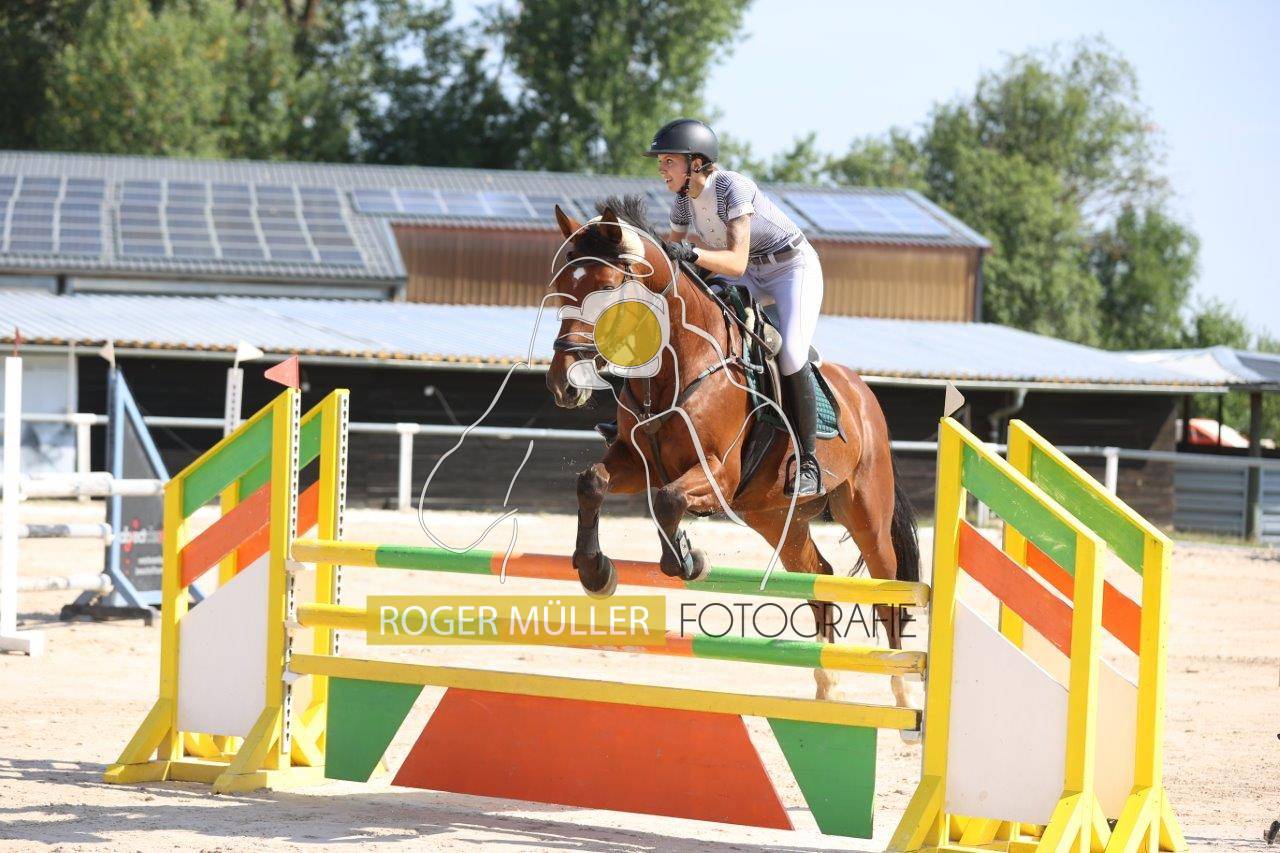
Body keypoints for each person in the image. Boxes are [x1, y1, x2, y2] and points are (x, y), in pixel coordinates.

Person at [646, 118, 826, 498]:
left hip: (791, 268)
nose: (662, 169)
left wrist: (691, 253)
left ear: (696, 163)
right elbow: (672, 256)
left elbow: (735, 262)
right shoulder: (683, 200)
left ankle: (809, 462)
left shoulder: (732, 187)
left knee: (792, 354)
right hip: (750, 274)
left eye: (668, 161)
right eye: (661, 162)